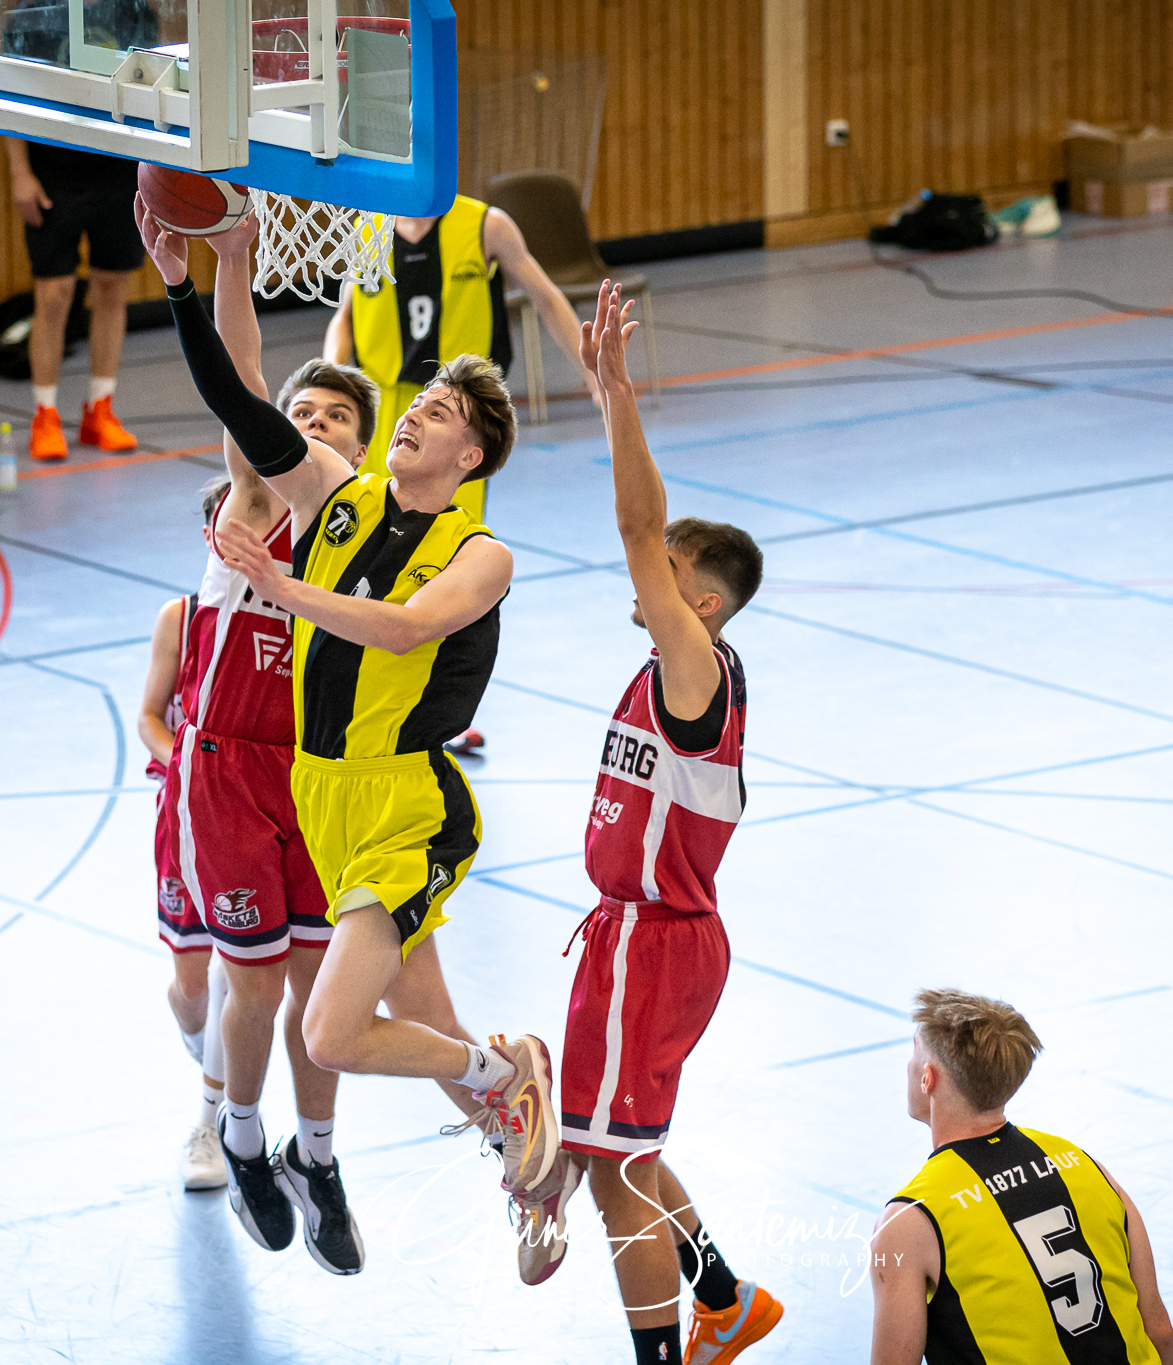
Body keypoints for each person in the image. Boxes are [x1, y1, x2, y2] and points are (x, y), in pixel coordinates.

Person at [146, 207, 536, 1264]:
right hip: (311, 792)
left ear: (473, 452)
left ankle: (504, 1094)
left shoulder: (480, 550)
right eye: (422, 399)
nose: (418, 414)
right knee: (390, 1010)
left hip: (403, 796)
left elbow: (405, 628)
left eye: (442, 412)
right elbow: (232, 392)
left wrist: (283, 587)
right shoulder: (334, 499)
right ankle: (518, 1128)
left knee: (328, 1025)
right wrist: (189, 275)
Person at [514, 282, 779, 1365]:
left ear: (700, 603)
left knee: (615, 1161)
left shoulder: (692, 670)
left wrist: (614, 392)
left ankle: (673, 1351)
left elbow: (636, 522)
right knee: (615, 1141)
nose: (644, 574)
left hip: (657, 943)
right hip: (630, 940)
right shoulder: (664, 671)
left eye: (667, 576)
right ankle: (720, 1291)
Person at [869, 990, 1173, 1365]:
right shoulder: (1080, 1162)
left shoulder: (911, 1219)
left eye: (914, 1053)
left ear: (928, 1079)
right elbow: (1159, 1333)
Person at [325, 194, 589, 526]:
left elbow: (545, 298)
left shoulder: (486, 225)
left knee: (449, 534)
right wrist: (332, 382)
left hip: (457, 410)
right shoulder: (369, 231)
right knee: (375, 525)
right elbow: (345, 317)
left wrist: (592, 371)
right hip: (382, 405)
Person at [135, 566, 229, 1193]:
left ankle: (213, 1119)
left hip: (271, 815)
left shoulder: (302, 605)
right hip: (189, 813)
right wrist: (191, 766)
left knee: (243, 981)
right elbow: (148, 715)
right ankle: (211, 1058)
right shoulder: (183, 617)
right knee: (193, 990)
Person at [5, 138, 141, 460]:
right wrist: (19, 172)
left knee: (111, 288)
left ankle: (100, 409)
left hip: (118, 165)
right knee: (53, 295)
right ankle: (45, 415)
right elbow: (12, 101)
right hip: (53, 168)